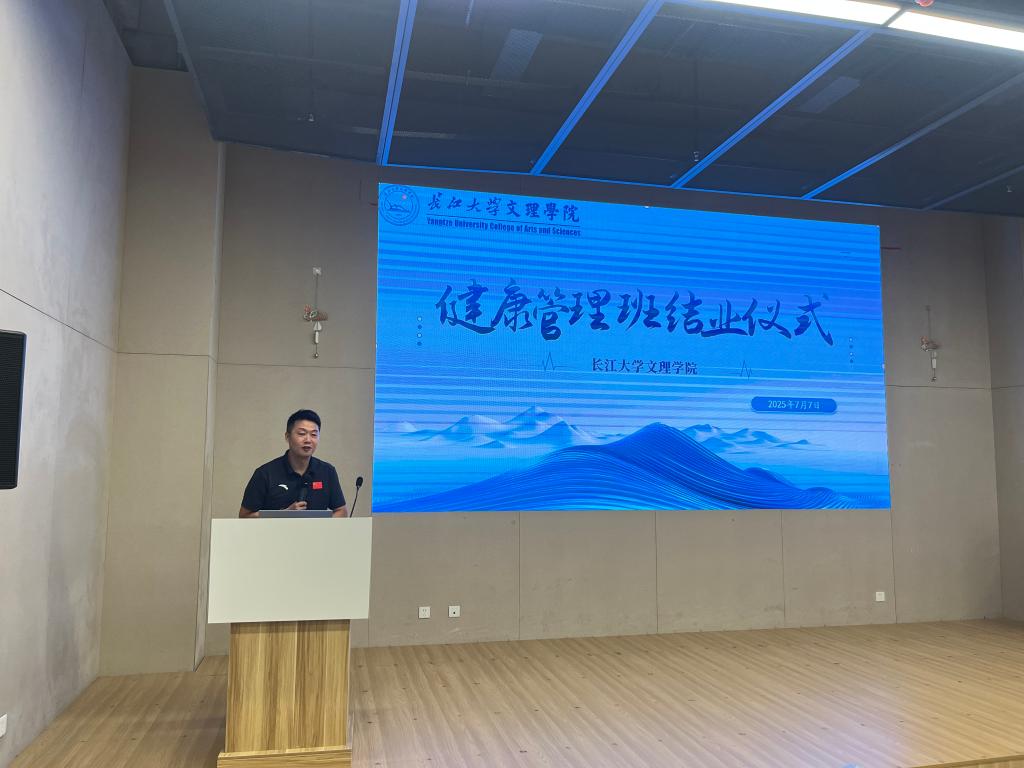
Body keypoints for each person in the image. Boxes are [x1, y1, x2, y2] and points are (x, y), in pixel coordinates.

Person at [238, 409, 349, 518]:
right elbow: (244, 516)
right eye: (302, 433)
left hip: (317, 531)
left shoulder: (327, 471)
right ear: (287, 437)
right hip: (276, 530)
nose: (308, 440)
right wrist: (282, 515)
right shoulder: (265, 473)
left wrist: (322, 527)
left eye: (314, 435)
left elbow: (341, 511)